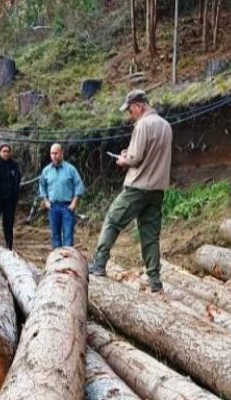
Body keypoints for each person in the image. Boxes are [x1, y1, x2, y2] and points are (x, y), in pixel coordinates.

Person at [89, 90, 172, 293]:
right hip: (157, 189)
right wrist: (131, 155)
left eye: (130, 110)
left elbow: (134, 159)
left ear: (138, 106)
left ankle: (99, 264)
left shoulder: (143, 124)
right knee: (150, 235)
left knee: (112, 219)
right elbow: (148, 155)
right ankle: (155, 281)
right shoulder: (165, 125)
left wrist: (123, 159)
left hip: (138, 187)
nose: (130, 115)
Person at [39, 143, 85, 249]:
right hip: (53, 207)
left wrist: (74, 202)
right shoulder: (46, 171)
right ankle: (57, 261)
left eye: (56, 153)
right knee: (55, 235)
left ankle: (68, 261)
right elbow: (42, 186)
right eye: (52, 153)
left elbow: (79, 186)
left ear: (62, 153)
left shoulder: (71, 170)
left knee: (68, 235)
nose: (54, 156)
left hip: (67, 207)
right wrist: (46, 201)